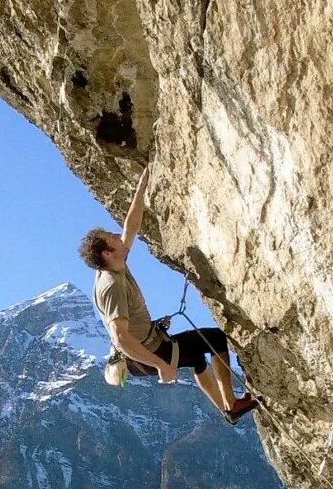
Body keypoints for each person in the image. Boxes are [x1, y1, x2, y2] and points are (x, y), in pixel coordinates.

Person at [78, 165, 258, 424]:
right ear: (107, 252)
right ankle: (231, 404)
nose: (118, 236)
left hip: (147, 348)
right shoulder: (111, 285)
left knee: (196, 356)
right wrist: (161, 365)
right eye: (111, 237)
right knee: (215, 339)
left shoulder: (116, 262)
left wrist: (141, 189)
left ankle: (228, 410)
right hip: (147, 355)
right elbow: (120, 338)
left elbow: (131, 229)